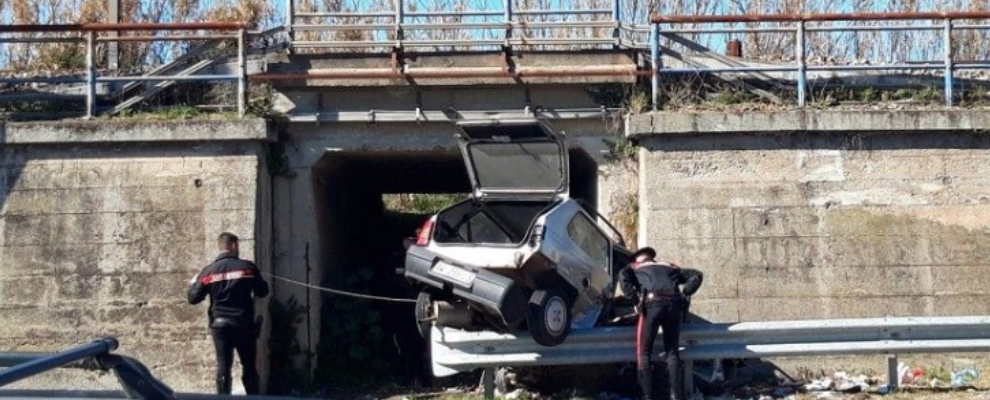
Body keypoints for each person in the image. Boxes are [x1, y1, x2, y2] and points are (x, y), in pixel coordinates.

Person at [188, 232, 270, 395]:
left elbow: (193, 298)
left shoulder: (208, 271)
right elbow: (262, 292)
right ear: (232, 246)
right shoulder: (247, 267)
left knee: (223, 366)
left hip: (220, 326)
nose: (238, 249)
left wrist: (195, 281)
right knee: (249, 366)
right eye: (237, 245)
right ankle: (253, 397)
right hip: (243, 324)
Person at [619, 247, 703, 400]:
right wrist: (685, 294)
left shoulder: (635, 267)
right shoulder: (670, 266)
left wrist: (634, 298)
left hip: (651, 306)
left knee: (644, 352)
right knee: (672, 351)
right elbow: (697, 275)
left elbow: (622, 275)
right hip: (673, 305)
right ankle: (675, 396)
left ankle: (647, 396)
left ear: (638, 259)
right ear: (652, 258)